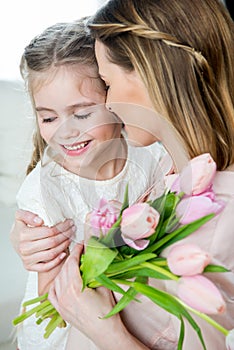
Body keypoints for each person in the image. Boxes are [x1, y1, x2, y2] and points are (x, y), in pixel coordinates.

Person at [47, 0, 234, 349]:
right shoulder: (172, 168)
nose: (109, 103)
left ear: (151, 73)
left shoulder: (222, 213)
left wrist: (104, 331)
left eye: (108, 82)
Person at [13, 17, 166, 350]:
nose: (66, 132)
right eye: (48, 117)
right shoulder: (44, 190)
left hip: (130, 313)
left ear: (113, 99)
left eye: (82, 114)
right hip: (69, 328)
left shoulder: (149, 154)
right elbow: (51, 300)